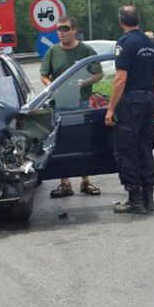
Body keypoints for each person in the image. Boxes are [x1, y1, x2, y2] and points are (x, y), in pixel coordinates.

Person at [106, 5, 154, 215]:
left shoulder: (124, 44)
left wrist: (110, 109)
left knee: (127, 150)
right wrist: (153, 100)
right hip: (148, 99)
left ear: (121, 22)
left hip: (130, 102)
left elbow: (121, 79)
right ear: (138, 19)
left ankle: (135, 200)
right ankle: (149, 199)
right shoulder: (150, 43)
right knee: (145, 149)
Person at [39, 15, 104, 198]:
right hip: (60, 106)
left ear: (74, 30)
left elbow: (99, 74)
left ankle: (85, 181)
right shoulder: (53, 51)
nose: (61, 33)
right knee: (61, 143)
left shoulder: (85, 50)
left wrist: (85, 82)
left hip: (81, 103)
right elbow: (43, 74)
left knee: (83, 141)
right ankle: (64, 183)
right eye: (59, 29)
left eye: (65, 29)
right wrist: (51, 86)